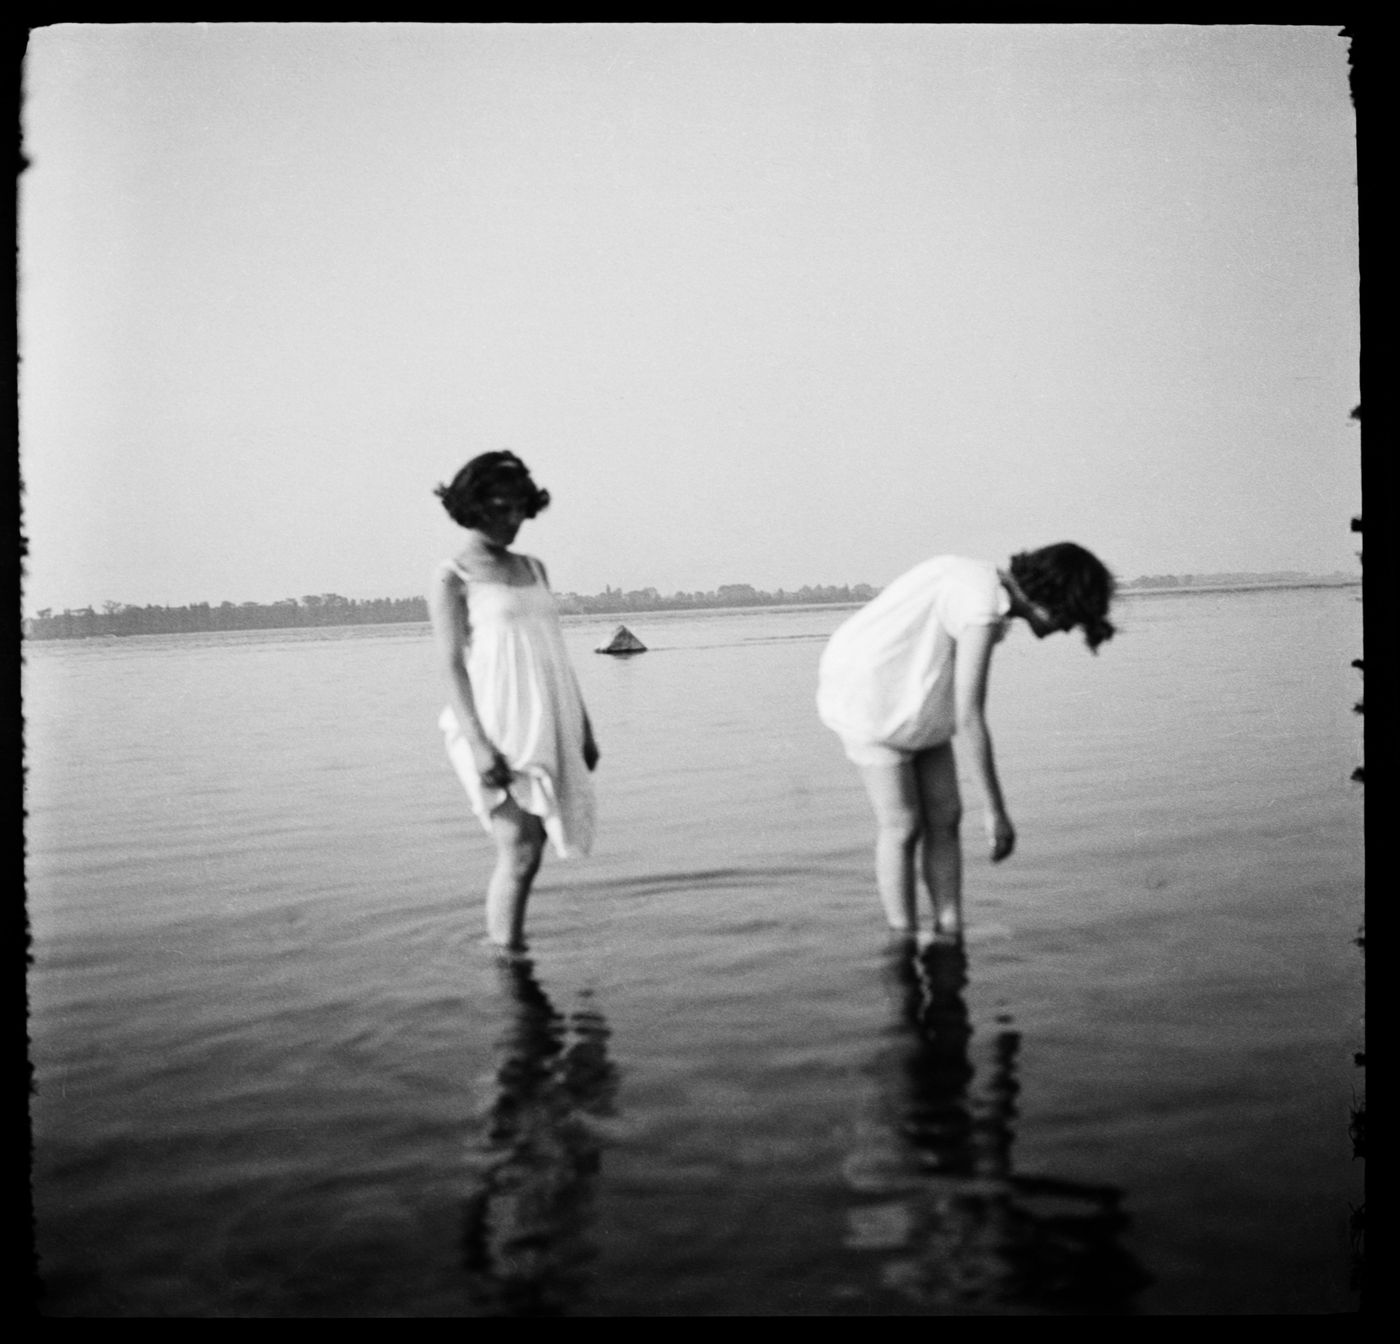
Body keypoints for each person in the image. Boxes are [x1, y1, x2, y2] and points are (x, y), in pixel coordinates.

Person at [817, 543, 1115, 943]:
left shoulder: (986, 590)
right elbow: (970, 715)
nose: (1067, 628)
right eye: (1071, 616)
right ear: (1053, 597)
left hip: (917, 693)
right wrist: (996, 811)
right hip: (870, 695)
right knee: (902, 826)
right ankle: (902, 937)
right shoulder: (981, 603)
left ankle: (949, 929)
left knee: (946, 816)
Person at [428, 451, 599, 951]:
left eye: (519, 507)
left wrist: (583, 730)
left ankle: (511, 956)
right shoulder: (452, 575)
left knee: (534, 845)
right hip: (492, 721)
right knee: (518, 848)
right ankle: (505, 960)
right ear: (473, 507)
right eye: (499, 508)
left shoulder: (534, 568)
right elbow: (451, 665)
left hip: (548, 713)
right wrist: (481, 747)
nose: (512, 519)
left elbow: (556, 653)